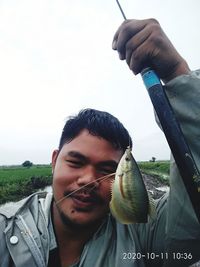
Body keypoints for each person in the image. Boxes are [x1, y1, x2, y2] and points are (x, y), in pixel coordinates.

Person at [0, 18, 200, 267]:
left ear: (122, 179)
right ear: (54, 160)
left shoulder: (144, 234)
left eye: (107, 170)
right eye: (76, 162)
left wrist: (177, 74)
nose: (87, 180)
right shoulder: (4, 229)